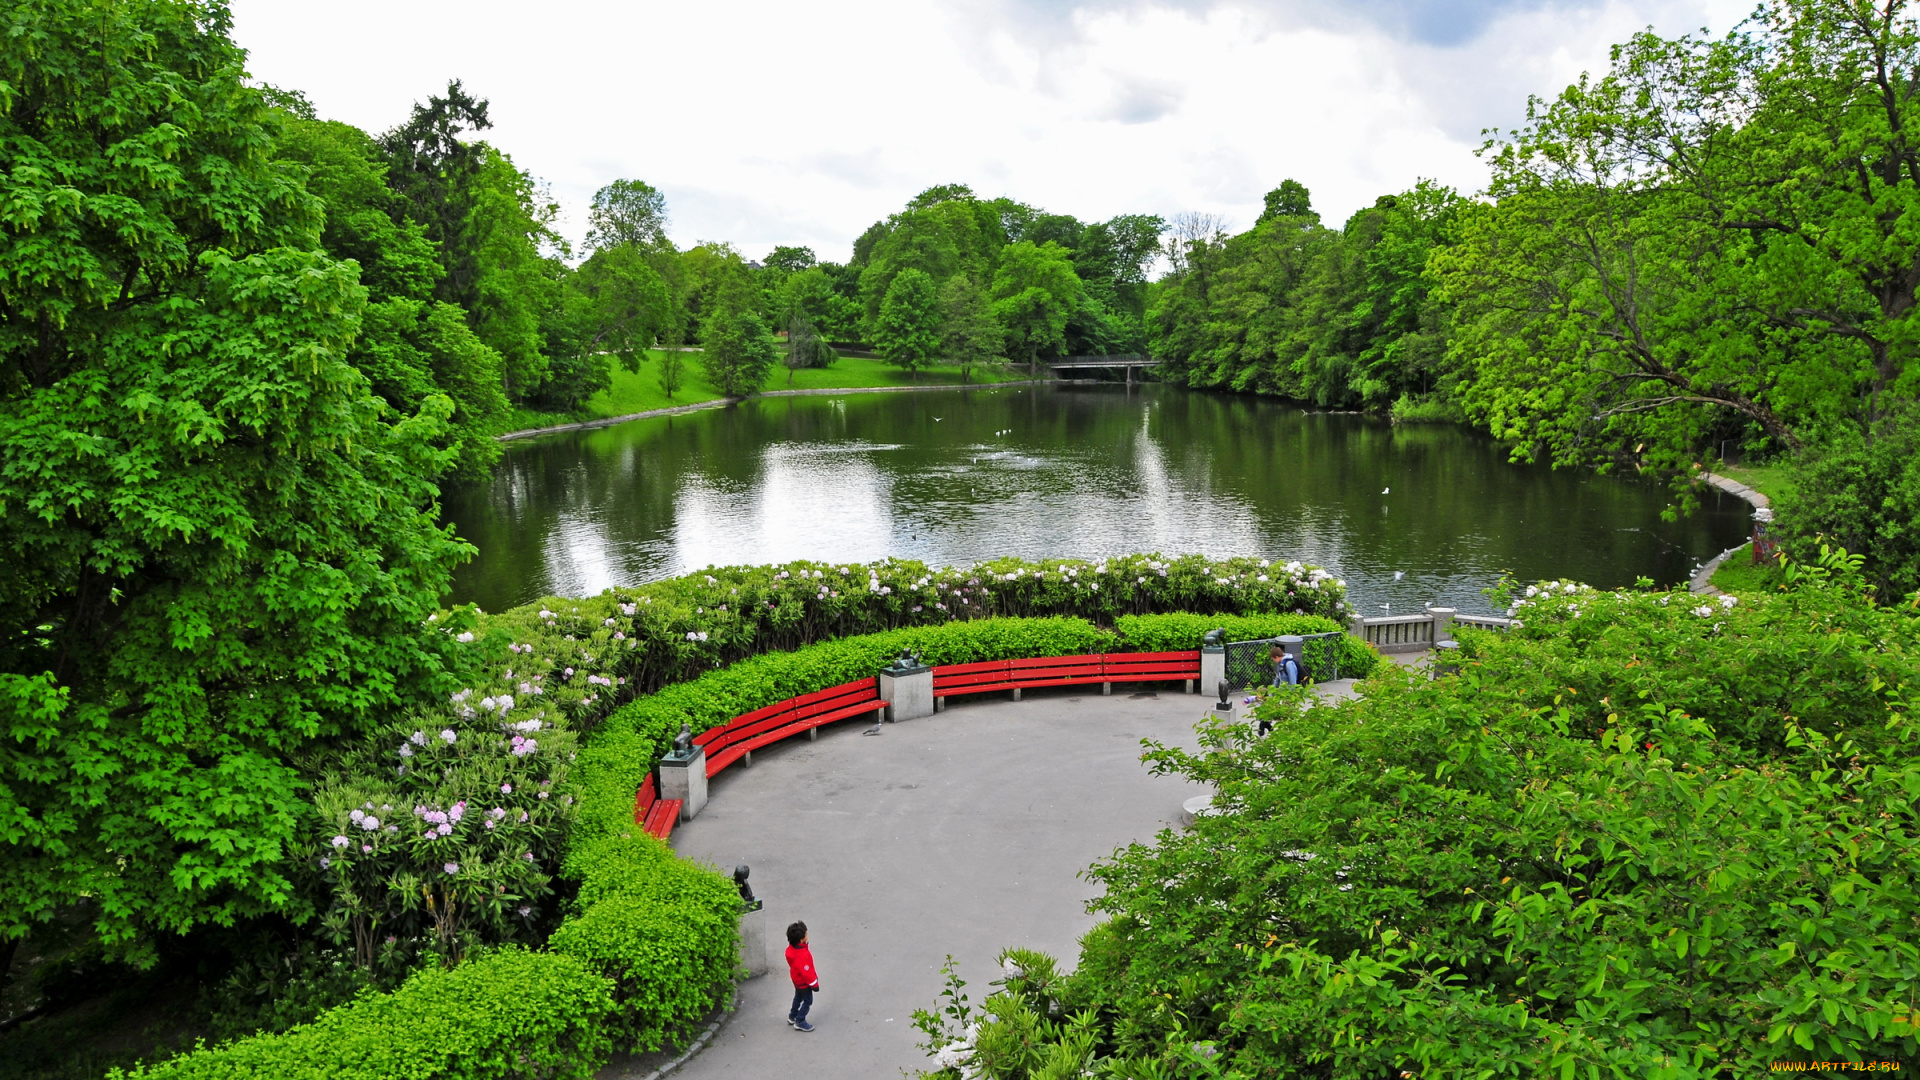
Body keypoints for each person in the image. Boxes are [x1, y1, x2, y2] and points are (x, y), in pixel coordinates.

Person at [785, 921, 821, 1032]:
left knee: (798, 997)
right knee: (808, 1001)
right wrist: (815, 984)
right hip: (804, 983)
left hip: (797, 980)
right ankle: (800, 1020)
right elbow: (807, 972)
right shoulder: (803, 955)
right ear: (801, 939)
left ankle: (792, 1015)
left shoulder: (791, 950)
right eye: (806, 934)